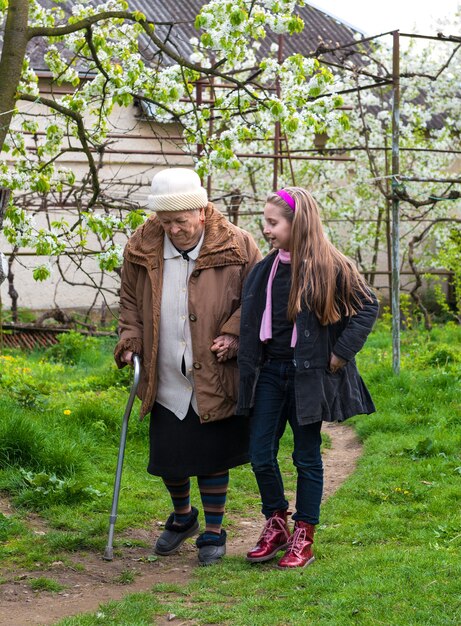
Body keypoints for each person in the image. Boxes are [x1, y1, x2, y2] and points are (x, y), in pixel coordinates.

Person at [114, 167, 261, 566]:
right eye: (165, 222)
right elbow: (129, 301)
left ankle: (213, 531)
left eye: (181, 221)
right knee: (170, 458)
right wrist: (130, 339)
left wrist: (234, 333)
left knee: (212, 455)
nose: (174, 229)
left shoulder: (238, 245)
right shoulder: (140, 247)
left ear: (201, 211)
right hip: (164, 367)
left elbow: (259, 298)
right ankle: (183, 519)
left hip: (213, 366)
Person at [237, 187, 378, 569]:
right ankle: (276, 522)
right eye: (265, 221)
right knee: (260, 453)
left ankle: (305, 535)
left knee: (306, 457)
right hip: (269, 371)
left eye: (273, 222)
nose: (266, 229)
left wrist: (339, 353)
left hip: (307, 377)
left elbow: (368, 307)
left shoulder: (331, 265)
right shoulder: (265, 268)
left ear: (297, 223)